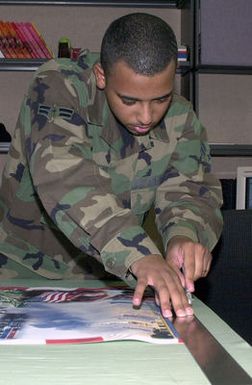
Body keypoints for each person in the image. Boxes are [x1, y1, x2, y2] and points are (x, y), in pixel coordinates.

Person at [0, 13, 223, 318]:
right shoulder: (59, 85)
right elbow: (65, 176)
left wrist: (184, 235)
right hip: (25, 273)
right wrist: (139, 254)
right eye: (129, 100)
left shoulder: (180, 117)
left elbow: (190, 189)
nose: (146, 116)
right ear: (102, 75)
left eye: (161, 98)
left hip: (117, 281)